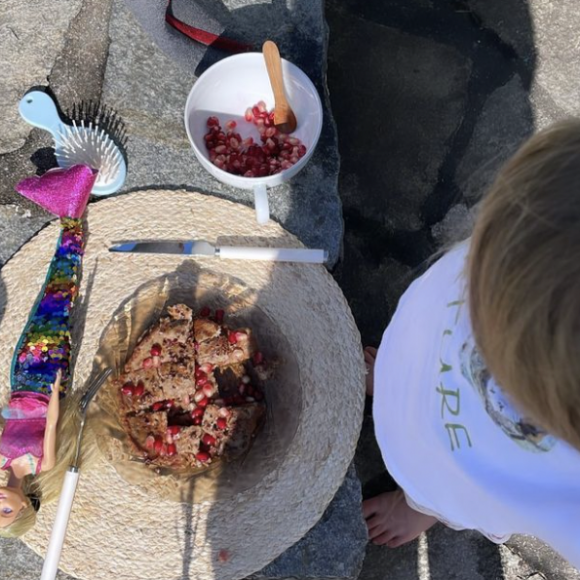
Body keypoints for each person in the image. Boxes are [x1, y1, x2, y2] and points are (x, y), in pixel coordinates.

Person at [362, 119, 580, 568]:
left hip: (473, 462)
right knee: (417, 361)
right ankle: (392, 380)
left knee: (447, 481)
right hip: (429, 346)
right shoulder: (545, 230)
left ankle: (419, 507)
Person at [0, 165, 96, 536]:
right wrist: (56, 391)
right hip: (47, 382)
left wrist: (12, 403)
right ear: (24, 506)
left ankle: (70, 214)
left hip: (21, 375)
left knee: (43, 307)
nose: (1, 503)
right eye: (7, 510)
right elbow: (52, 423)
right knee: (58, 307)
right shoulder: (42, 462)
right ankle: (71, 218)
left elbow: (8, 416)